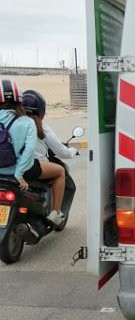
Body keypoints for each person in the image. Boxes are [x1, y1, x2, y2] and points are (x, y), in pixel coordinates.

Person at [21, 90, 78, 228]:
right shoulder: (42, 128)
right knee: (60, 172)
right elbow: (62, 152)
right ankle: (55, 212)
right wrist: (73, 150)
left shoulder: (12, 124)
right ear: (41, 110)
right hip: (32, 167)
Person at [0, 78, 37, 192]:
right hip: (18, 171)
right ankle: (55, 210)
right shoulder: (28, 122)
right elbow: (29, 150)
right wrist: (19, 174)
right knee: (59, 171)